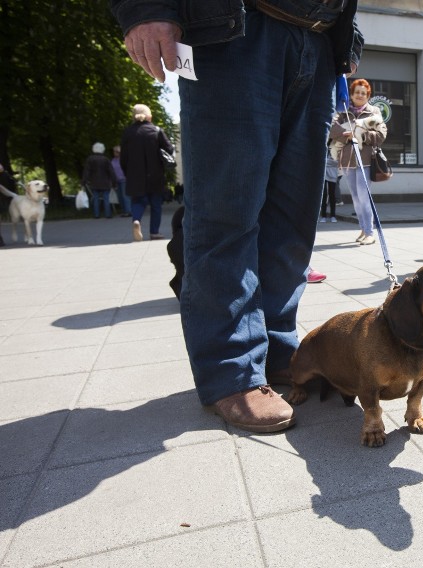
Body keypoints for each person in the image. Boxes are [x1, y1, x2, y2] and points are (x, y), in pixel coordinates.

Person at [111, 0, 362, 433]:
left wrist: (344, 39)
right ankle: (231, 370)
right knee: (226, 213)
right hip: (235, 29)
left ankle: (278, 347)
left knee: (293, 218)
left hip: (318, 39)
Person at [330, 78, 386, 246]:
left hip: (366, 160)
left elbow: (381, 135)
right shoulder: (343, 111)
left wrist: (362, 135)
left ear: (368, 95)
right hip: (348, 161)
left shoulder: (374, 111)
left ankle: (369, 232)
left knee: (364, 196)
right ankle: (363, 229)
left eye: (364, 93)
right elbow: (332, 128)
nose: (360, 95)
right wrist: (347, 133)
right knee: (355, 198)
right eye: (357, 93)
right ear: (351, 95)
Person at [119, 103, 174, 241]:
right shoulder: (156, 131)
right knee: (156, 203)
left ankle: (136, 220)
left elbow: (123, 157)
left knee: (138, 201)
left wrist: (127, 172)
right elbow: (169, 149)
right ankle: (154, 232)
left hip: (135, 175)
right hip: (155, 174)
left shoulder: (128, 133)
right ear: (149, 116)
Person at [82, 142, 117, 219]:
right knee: (106, 198)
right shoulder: (106, 159)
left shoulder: (90, 159)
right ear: (102, 150)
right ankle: (108, 214)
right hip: (105, 182)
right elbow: (111, 172)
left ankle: (96, 215)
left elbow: (86, 171)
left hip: (94, 182)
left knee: (96, 198)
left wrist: (84, 182)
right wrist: (114, 183)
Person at [111, 145, 131, 216]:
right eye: (114, 151)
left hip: (124, 179)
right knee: (120, 197)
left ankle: (128, 211)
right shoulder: (113, 160)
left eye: (116, 151)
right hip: (117, 180)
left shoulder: (124, 159)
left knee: (125, 196)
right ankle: (124, 211)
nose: (115, 153)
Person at [320, 148, 339, 223]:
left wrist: (325, 162)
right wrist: (329, 162)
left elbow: (336, 163)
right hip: (323, 174)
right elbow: (319, 161)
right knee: (323, 195)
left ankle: (333, 216)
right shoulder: (324, 148)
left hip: (333, 175)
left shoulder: (335, 148)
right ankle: (323, 216)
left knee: (332, 195)